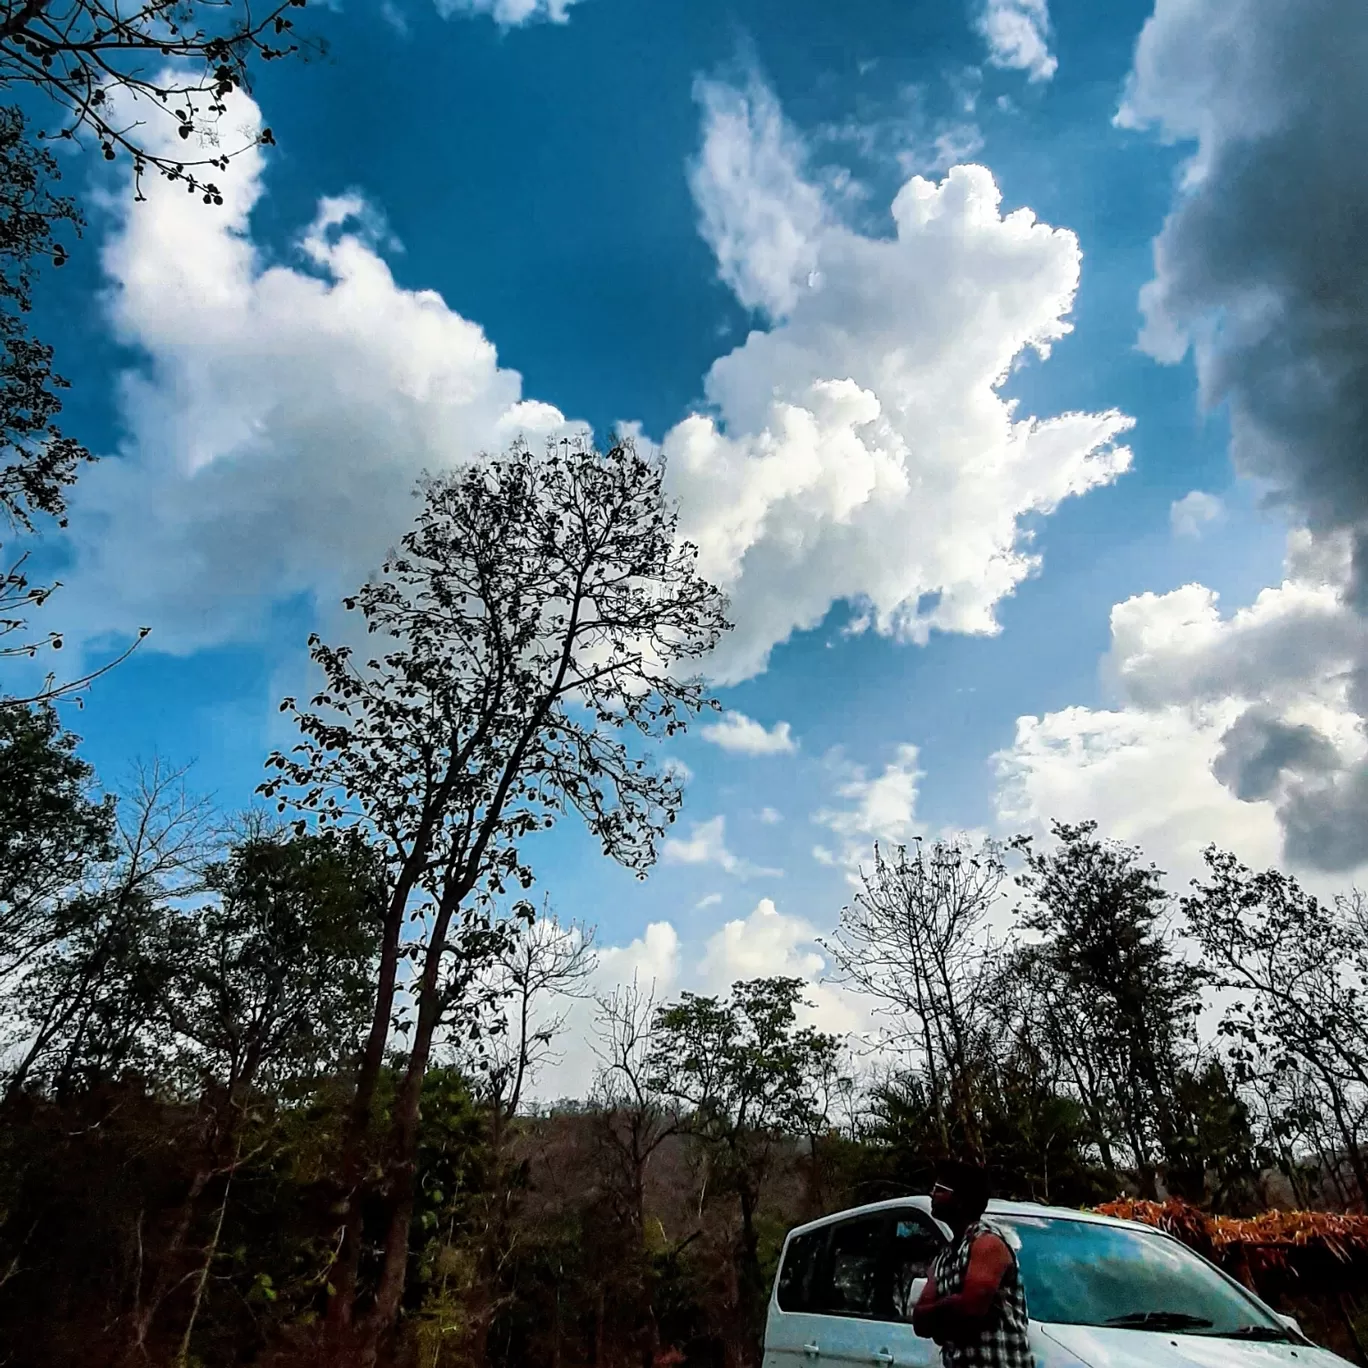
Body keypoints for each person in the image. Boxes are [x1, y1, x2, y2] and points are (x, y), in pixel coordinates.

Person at [912, 1159, 1033, 1368]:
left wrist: (942, 1317)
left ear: (960, 1199)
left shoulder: (987, 1243)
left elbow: (970, 1308)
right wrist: (954, 1307)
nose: (932, 1194)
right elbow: (920, 1322)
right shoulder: (943, 1257)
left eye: (940, 1189)